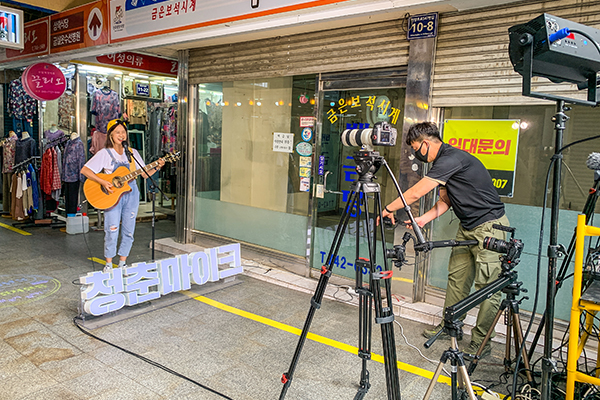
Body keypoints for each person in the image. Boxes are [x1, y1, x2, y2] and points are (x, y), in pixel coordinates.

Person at [381, 122, 509, 359]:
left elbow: (416, 192)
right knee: (457, 279)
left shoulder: (452, 158)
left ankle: (482, 342)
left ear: (426, 143)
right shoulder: (444, 164)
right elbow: (445, 201)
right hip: (468, 226)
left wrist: (388, 208)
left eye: (416, 148)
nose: (416, 154)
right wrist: (423, 220)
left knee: (487, 288)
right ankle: (450, 325)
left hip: (489, 227)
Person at [81, 119, 165, 273]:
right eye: (117, 132)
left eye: (123, 132)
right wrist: (103, 182)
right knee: (112, 229)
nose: (121, 135)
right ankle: (108, 263)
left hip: (131, 194)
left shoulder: (132, 153)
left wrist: (157, 166)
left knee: (128, 230)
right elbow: (85, 170)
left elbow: (145, 174)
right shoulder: (104, 154)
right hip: (112, 195)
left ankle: (122, 262)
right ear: (111, 135)